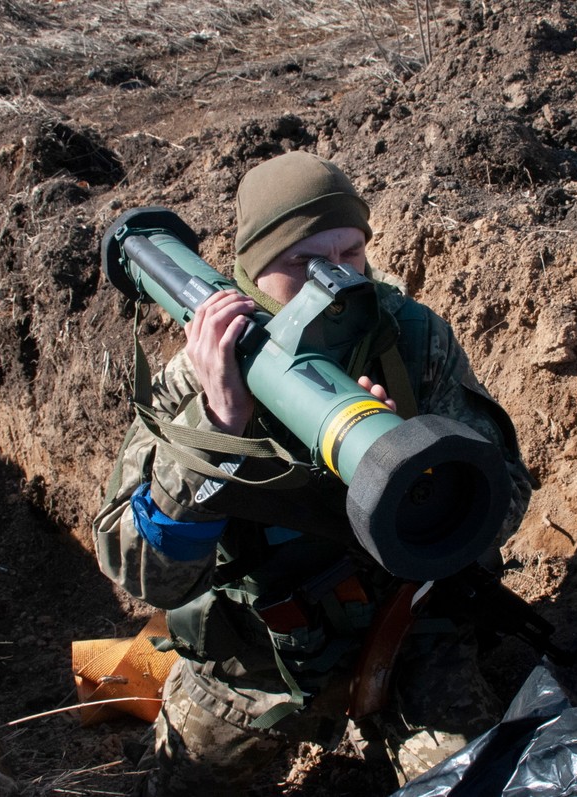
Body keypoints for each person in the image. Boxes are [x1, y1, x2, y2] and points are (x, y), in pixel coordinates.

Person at [93, 151, 534, 793]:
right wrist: (217, 431)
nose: (335, 277)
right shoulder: (189, 385)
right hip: (256, 661)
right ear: (250, 269)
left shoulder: (410, 342)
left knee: (471, 784)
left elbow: (507, 496)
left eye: (351, 252)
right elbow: (145, 575)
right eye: (302, 261)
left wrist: (420, 467)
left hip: (405, 631)